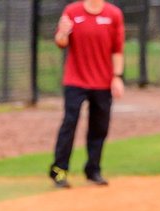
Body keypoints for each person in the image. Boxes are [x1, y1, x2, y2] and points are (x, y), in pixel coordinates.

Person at [49, 0, 125, 188]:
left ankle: (93, 170)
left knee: (99, 127)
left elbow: (117, 50)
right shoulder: (72, 11)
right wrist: (63, 32)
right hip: (75, 80)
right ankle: (59, 172)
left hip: (102, 81)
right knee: (69, 124)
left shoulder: (113, 14)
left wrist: (116, 76)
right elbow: (61, 42)